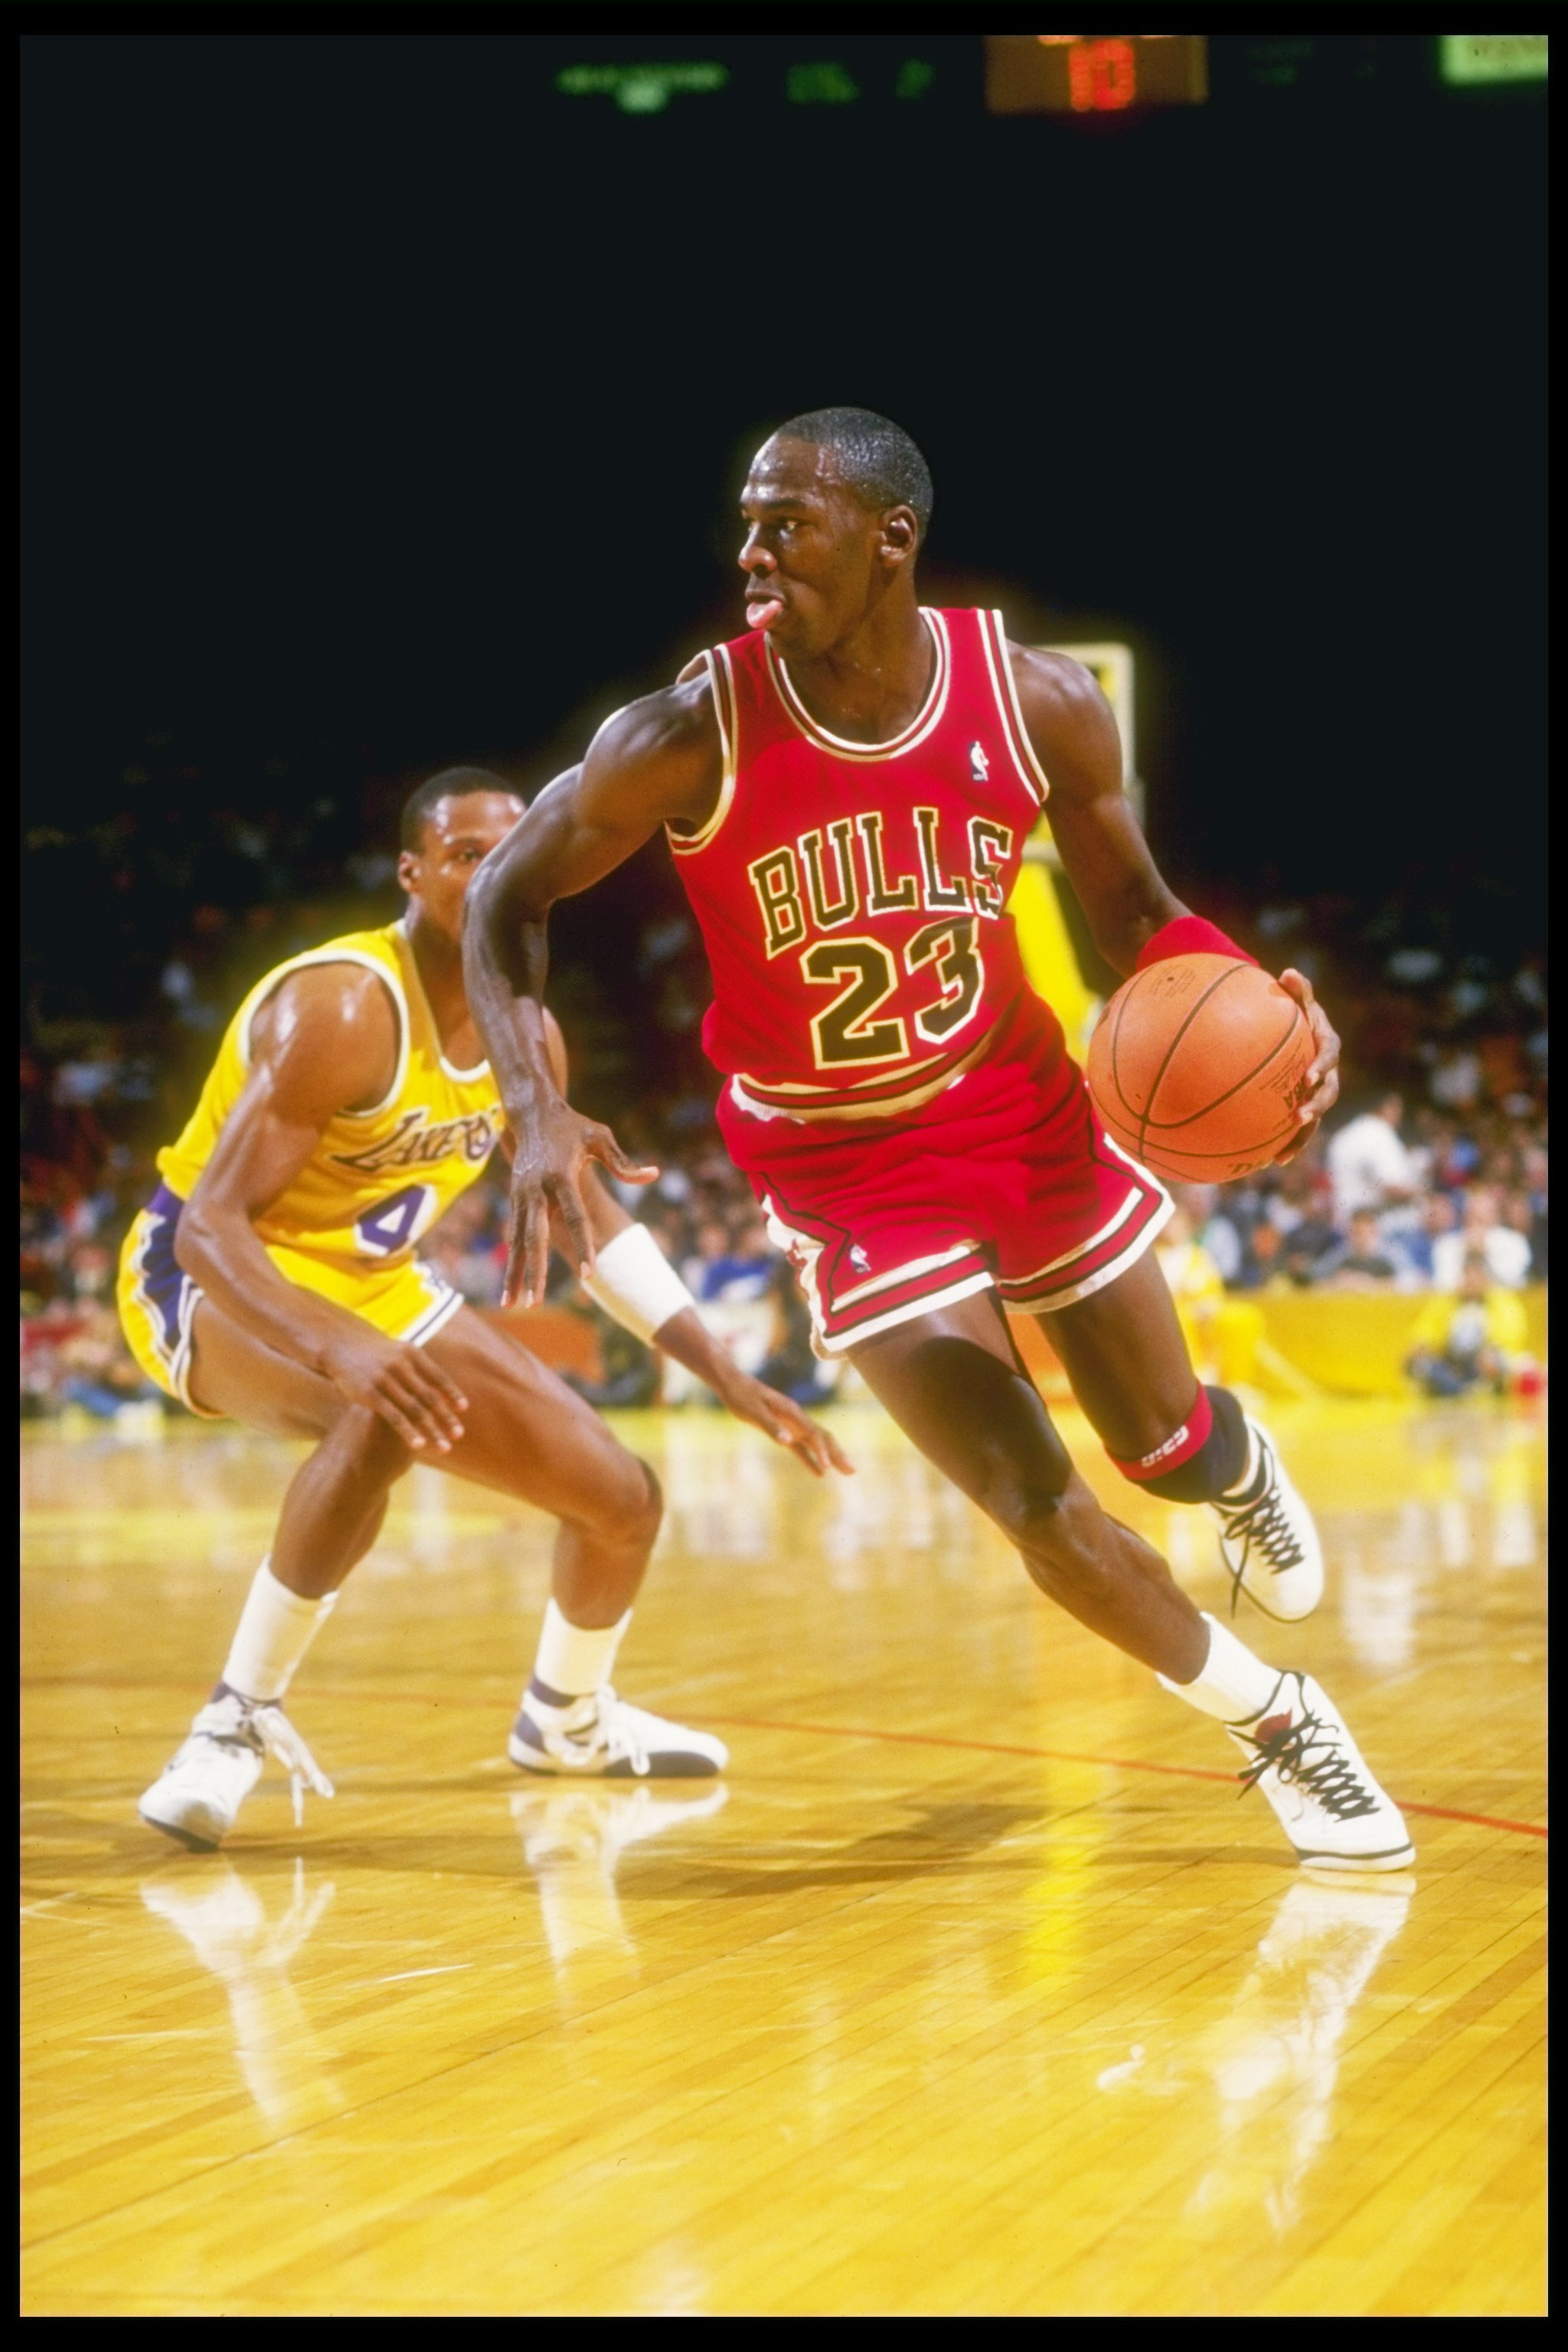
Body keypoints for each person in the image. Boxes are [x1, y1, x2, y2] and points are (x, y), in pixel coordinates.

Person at [466, 407, 1414, 1874]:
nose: (752, 551)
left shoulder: (1033, 703)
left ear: (887, 536)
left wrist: (1262, 1009)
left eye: (787, 521)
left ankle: (1231, 1465)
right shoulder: (681, 732)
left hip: (1023, 1112)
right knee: (1033, 1497)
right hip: (842, 1167)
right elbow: (501, 900)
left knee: (1159, 1450)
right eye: (746, 520)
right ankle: (1280, 1723)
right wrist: (533, 1105)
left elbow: (1135, 918)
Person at [122, 769, 849, 1851]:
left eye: (508, 854)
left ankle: (568, 1722)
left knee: (621, 1499)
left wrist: (728, 1378)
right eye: (464, 854)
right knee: (380, 1415)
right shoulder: (341, 1007)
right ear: (412, 874)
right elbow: (208, 1229)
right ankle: (233, 1723)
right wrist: (342, 1345)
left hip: (373, 1285)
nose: (490, 871)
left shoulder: (529, 1036)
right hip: (213, 1273)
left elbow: (592, 1226)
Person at [1405, 1252, 1529, 1398]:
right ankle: (1458, 1391)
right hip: (1450, 1362)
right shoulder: (1445, 1302)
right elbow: (1425, 1330)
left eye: (1476, 1276)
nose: (1470, 1281)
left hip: (1482, 1363)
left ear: (1487, 1279)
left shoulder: (1503, 1302)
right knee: (1419, 1364)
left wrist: (1493, 1349)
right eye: (1467, 1275)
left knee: (1503, 1362)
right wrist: (1423, 1345)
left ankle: (1469, 1391)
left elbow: (1512, 1334)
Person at [1326, 1093, 1417, 1230]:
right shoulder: (1379, 1132)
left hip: (1342, 1224)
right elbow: (1393, 1188)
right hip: (1375, 1227)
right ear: (1385, 1107)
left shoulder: (1342, 1136)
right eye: (1396, 1108)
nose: (1400, 1114)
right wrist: (1422, 1193)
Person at [1431, 1184, 1532, 1292]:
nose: (1477, 1226)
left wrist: (1487, 1253)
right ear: (1465, 1217)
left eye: (1482, 1219)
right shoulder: (1446, 1244)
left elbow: (1516, 1281)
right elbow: (1442, 1285)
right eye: (1473, 1217)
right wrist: (1464, 1254)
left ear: (1496, 1217)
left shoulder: (1515, 1241)